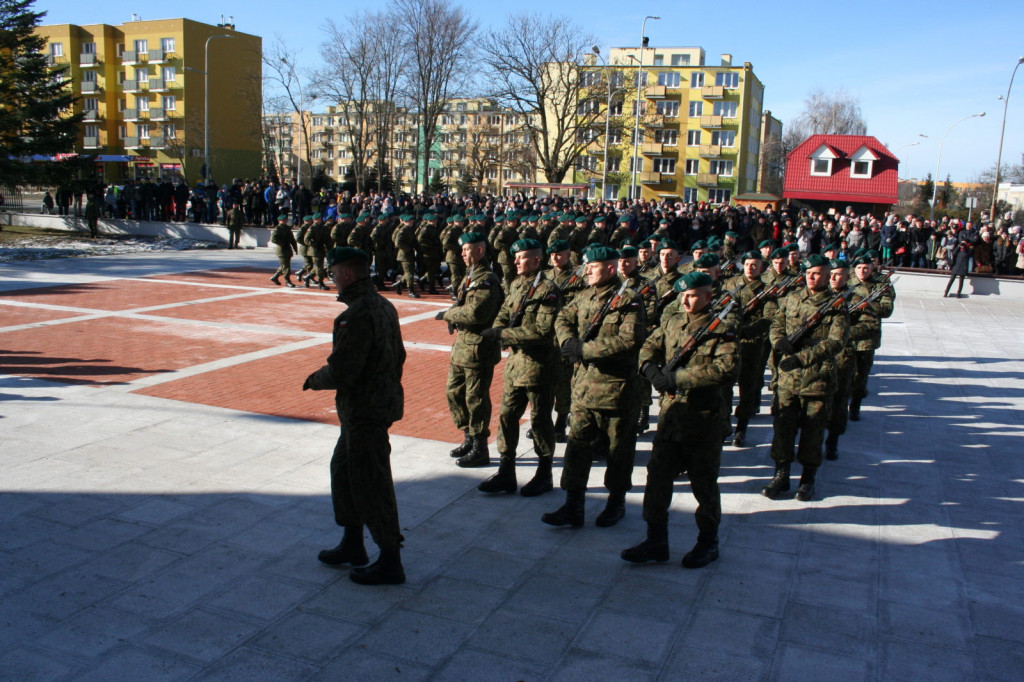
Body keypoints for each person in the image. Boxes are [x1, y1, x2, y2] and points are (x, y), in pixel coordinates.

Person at [304, 247, 406, 585]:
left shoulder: (358, 313)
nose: (332, 280)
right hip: (368, 408)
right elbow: (399, 356)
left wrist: (314, 379)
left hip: (366, 411)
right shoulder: (384, 305)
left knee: (371, 483)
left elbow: (344, 369)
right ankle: (352, 544)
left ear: (347, 274)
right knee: (344, 471)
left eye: (334, 274)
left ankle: (391, 559)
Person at [623, 271, 738, 568]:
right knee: (657, 479)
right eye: (683, 295)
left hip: (703, 420)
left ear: (708, 296)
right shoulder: (672, 321)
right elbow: (649, 345)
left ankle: (708, 542)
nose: (686, 300)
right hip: (671, 418)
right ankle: (656, 541)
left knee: (704, 485)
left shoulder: (721, 329)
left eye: (693, 295)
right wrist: (650, 369)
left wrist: (677, 378)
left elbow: (726, 369)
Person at [543, 245, 646, 529]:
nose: (587, 270)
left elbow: (628, 342)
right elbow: (563, 318)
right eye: (587, 265)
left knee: (618, 452)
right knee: (576, 450)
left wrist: (584, 349)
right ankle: (573, 505)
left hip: (617, 393)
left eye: (593, 266)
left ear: (610, 269)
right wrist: (567, 342)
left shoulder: (630, 300)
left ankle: (616, 502)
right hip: (584, 390)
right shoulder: (584, 295)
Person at [477, 238, 562, 496]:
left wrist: (504, 335)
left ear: (537, 260)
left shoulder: (548, 290)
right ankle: (506, 471)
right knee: (507, 417)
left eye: (522, 257)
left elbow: (542, 331)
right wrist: (497, 328)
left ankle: (544, 473)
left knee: (539, 420)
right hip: (516, 366)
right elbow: (504, 311)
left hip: (539, 367)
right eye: (515, 257)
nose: (515, 261)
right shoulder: (516, 284)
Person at [763, 254, 849, 502]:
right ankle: (781, 475)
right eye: (810, 272)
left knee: (813, 430)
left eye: (819, 273)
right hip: (788, 378)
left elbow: (836, 342)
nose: (813, 277)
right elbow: (776, 323)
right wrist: (779, 342)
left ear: (828, 276)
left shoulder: (836, 304)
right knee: (783, 427)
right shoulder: (792, 297)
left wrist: (802, 357)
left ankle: (807, 480)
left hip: (817, 378)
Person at [437, 232, 505, 467]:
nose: (463, 254)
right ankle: (467, 435)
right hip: (463, 346)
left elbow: (476, 313)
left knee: (475, 398)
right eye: (462, 250)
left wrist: (448, 314)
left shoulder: (487, 279)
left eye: (467, 249)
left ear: (480, 250)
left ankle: (479, 446)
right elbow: (464, 304)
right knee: (453, 392)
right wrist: (456, 313)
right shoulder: (471, 275)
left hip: (479, 348)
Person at [269, 213, 298, 287]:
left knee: (284, 265)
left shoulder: (287, 228)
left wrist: (295, 248)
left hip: (287, 249)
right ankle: (287, 280)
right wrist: (282, 243)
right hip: (281, 250)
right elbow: (273, 239)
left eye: (285, 220)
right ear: (279, 221)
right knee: (286, 267)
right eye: (283, 220)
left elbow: (292, 239)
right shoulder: (278, 229)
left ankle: (275, 277)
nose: (284, 221)